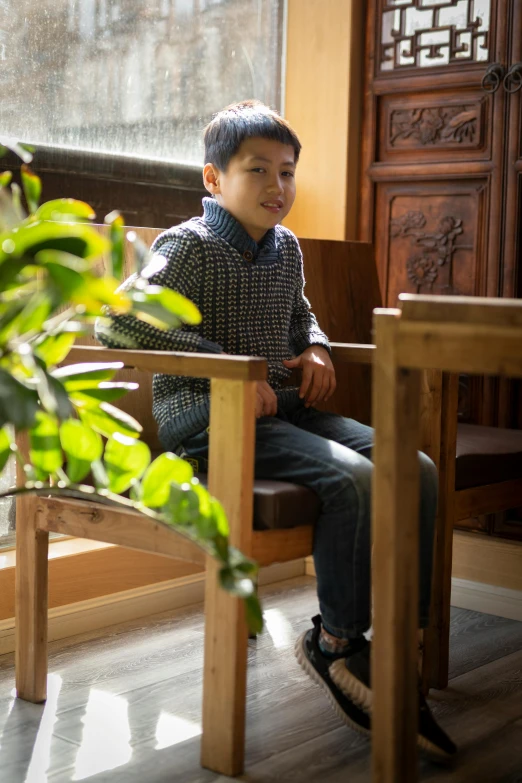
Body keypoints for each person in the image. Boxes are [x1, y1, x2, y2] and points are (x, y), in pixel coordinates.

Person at [96, 100, 456, 759]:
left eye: (287, 172)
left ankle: (409, 635)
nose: (277, 186)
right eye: (257, 169)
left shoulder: (285, 247)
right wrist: (226, 369)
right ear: (213, 180)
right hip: (209, 423)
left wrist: (316, 348)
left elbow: (303, 317)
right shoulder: (187, 246)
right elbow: (116, 323)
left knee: (417, 466)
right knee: (351, 478)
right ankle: (338, 642)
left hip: (284, 413)